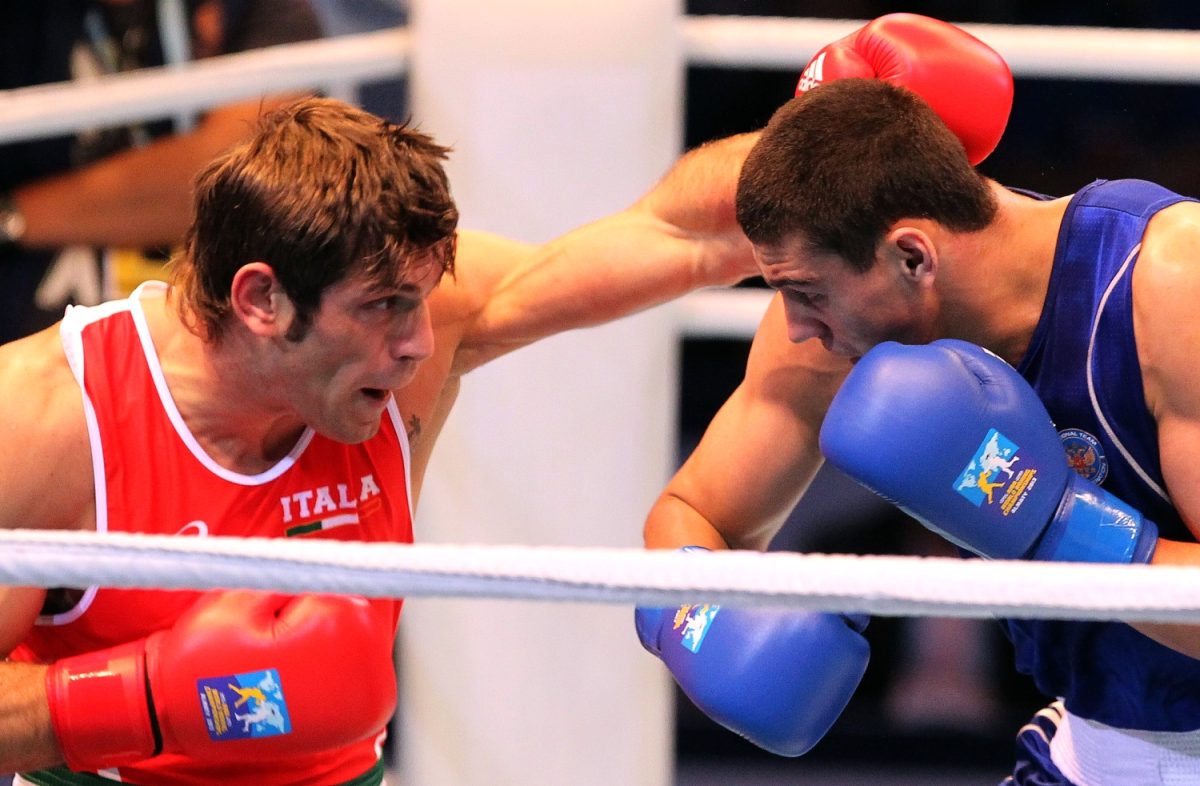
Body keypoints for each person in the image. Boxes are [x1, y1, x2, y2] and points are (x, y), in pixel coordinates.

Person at [0, 94, 760, 785]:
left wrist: (846, 137)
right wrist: (147, 696)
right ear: (262, 297)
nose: (422, 344)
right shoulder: (47, 418)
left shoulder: (415, 341)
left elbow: (686, 234)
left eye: (425, 298)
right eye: (385, 306)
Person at [637, 76, 1200, 783]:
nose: (796, 327)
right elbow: (691, 514)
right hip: (1098, 746)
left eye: (808, 293)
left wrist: (1054, 523)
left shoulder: (1166, 283)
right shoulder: (830, 332)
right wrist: (696, 618)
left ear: (913, 257)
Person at [0, 0, 322, 345]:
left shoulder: (250, 11)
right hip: (32, 348)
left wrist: (13, 217)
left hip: (202, 349)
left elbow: (243, 181)